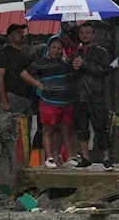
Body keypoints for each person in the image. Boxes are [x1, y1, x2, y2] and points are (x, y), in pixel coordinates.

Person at [21, 37, 78, 168]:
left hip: (66, 101)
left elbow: (73, 76)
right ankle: (49, 157)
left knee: (65, 130)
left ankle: (69, 156)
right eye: (54, 48)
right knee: (48, 130)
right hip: (49, 101)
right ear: (49, 48)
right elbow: (24, 74)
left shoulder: (65, 63)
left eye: (59, 48)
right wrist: (38, 84)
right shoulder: (40, 62)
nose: (57, 51)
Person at [70, 23, 114, 170]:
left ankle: (106, 157)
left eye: (87, 33)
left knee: (101, 128)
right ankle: (85, 156)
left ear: (93, 35)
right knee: (81, 128)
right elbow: (69, 76)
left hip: (96, 95)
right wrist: (73, 69)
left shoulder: (101, 52)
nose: (84, 35)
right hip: (79, 95)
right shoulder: (75, 53)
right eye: (82, 33)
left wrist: (85, 65)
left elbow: (104, 70)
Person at [0, 23, 35, 113]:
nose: (22, 35)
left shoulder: (28, 52)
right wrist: (3, 100)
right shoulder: (4, 53)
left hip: (29, 95)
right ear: (10, 36)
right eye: (18, 32)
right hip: (12, 95)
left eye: (23, 32)